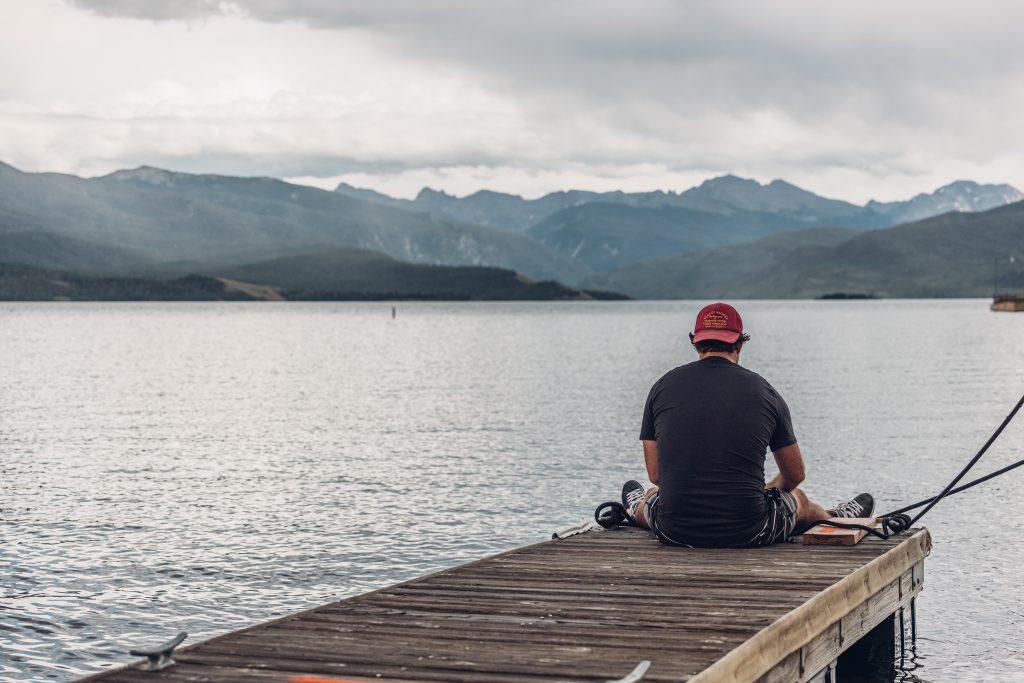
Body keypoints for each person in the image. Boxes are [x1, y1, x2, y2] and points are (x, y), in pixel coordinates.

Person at [622, 302, 874, 548]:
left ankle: (636, 510)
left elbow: (656, 475)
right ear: (740, 343)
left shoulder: (661, 387)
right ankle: (834, 518)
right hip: (750, 532)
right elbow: (795, 475)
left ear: (695, 342)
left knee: (652, 495)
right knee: (798, 499)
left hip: (674, 531)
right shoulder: (765, 392)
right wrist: (767, 490)